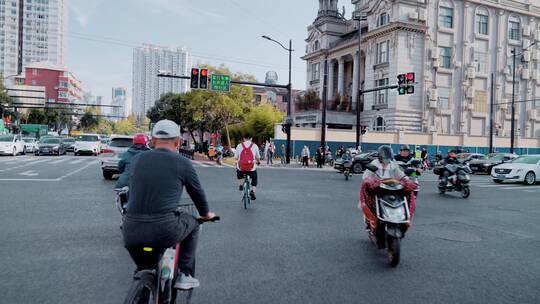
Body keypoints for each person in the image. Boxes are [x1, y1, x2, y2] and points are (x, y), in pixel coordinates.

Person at [122, 120, 217, 290]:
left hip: (131, 231)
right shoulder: (183, 163)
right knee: (194, 223)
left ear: (152, 141)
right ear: (178, 142)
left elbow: (133, 189)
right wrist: (205, 214)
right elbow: (197, 194)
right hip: (165, 229)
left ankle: (142, 285)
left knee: (144, 269)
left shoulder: (137, 160)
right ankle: (183, 274)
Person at [360, 145, 416, 228]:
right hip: (378, 189)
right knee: (368, 196)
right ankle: (370, 218)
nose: (386, 160)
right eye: (385, 158)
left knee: (407, 194)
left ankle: (403, 217)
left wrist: (407, 181)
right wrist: (370, 181)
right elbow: (366, 177)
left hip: (392, 188)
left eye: (388, 158)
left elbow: (401, 175)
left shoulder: (393, 165)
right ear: (380, 157)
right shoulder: (374, 164)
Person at [235, 134, 261, 200]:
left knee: (238, 171)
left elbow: (236, 157)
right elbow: (258, 157)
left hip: (241, 167)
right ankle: (253, 191)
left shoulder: (239, 145)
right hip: (251, 168)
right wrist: (258, 162)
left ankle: (241, 185)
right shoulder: (254, 146)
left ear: (244, 139)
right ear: (251, 138)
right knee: (254, 178)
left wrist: (237, 163)